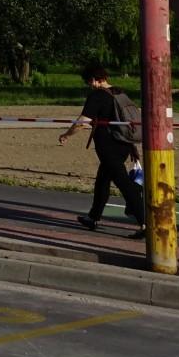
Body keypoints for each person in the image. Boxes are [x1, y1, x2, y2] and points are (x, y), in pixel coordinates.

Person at [58, 61, 145, 237]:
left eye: (88, 82)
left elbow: (83, 122)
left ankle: (145, 222)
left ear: (93, 79)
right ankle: (93, 217)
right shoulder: (119, 92)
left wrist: (67, 134)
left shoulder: (97, 96)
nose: (88, 85)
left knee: (123, 183)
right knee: (102, 181)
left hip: (108, 146)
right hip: (124, 143)